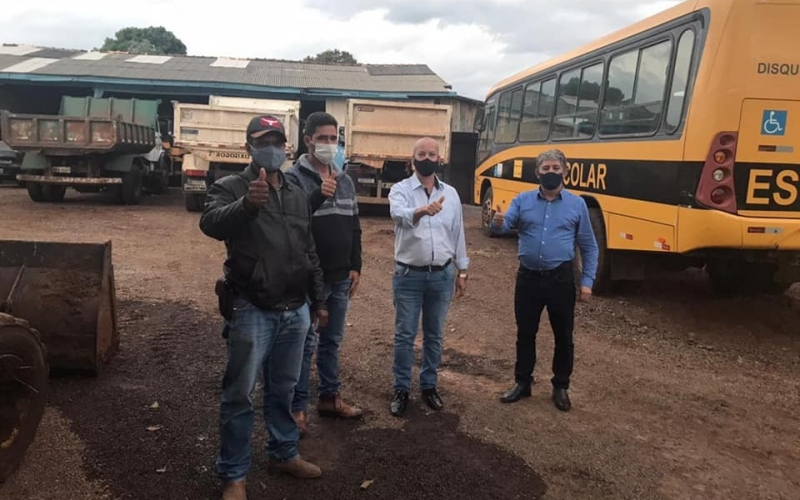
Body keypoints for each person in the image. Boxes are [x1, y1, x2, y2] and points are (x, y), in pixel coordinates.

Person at [199, 115, 327, 500]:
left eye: (277, 140)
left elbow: (309, 250)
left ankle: (284, 453)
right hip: (252, 308)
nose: (271, 146)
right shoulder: (231, 186)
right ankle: (234, 475)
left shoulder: (296, 191)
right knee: (239, 394)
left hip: (295, 309)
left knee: (284, 390)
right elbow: (210, 224)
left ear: (286, 146)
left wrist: (318, 300)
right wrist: (245, 206)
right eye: (263, 140)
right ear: (249, 145)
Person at [491, 149, 599, 412]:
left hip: (560, 279)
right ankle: (522, 382)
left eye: (555, 168)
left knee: (564, 335)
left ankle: (561, 386)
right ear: (537, 172)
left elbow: (589, 246)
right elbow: (505, 227)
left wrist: (587, 281)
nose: (551, 173)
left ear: (565, 171)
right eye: (546, 168)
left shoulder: (577, 205)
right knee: (525, 333)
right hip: (528, 279)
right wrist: (497, 222)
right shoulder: (523, 200)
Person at [284, 112, 363, 435]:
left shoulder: (344, 179)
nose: (330, 144)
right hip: (308, 278)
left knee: (332, 341)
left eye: (334, 139)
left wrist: (356, 264)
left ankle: (330, 397)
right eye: (323, 138)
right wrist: (318, 195)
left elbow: (354, 225)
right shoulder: (293, 178)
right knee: (304, 344)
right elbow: (291, 224)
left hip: (341, 276)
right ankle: (298, 407)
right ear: (308, 141)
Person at [387, 137, 469, 417]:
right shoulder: (400, 190)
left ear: (439, 159)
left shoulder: (452, 194)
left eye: (431, 154)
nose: (427, 158)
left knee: (434, 335)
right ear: (413, 160)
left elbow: (458, 234)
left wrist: (463, 269)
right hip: (409, 275)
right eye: (421, 153)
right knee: (405, 336)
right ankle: (401, 389)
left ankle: (429, 386)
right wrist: (422, 210)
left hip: (442, 276)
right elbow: (398, 216)